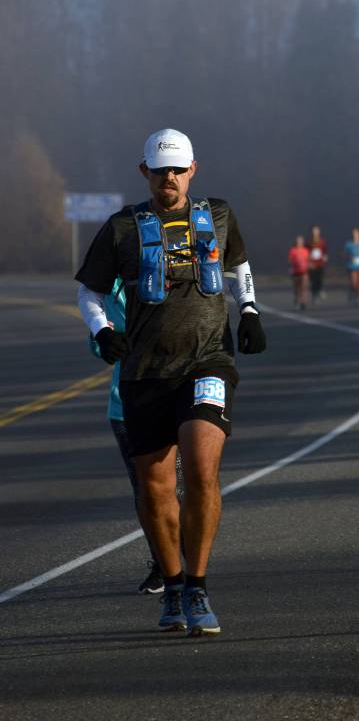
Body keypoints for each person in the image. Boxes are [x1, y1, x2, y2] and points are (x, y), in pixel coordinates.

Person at [76, 128, 267, 636]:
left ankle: (200, 584)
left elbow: (240, 264)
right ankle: (176, 585)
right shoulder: (121, 228)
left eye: (179, 169)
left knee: (202, 463)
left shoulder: (218, 215)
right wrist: (104, 330)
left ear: (193, 169)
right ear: (145, 172)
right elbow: (90, 294)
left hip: (208, 361)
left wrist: (248, 310)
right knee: (157, 487)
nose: (170, 178)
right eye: (161, 170)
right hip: (143, 372)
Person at [85, 277, 184, 595]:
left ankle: (187, 570)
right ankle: (163, 565)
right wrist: (103, 337)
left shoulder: (171, 269)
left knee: (175, 489)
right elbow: (100, 348)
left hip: (173, 395)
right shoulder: (107, 284)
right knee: (146, 492)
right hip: (125, 405)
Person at [306, 225, 328, 302]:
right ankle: (314, 294)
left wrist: (325, 257)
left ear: (319, 232)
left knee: (320, 278)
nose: (315, 232)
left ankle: (320, 291)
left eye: (316, 231)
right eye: (314, 231)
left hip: (320, 263)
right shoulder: (309, 242)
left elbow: (325, 251)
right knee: (313, 280)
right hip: (312, 264)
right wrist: (308, 262)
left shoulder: (322, 242)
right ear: (312, 232)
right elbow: (306, 252)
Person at [288, 235, 310, 310]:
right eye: (298, 241)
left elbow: (308, 260)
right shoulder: (293, 251)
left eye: (301, 241)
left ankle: (303, 302)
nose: (299, 242)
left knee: (304, 287)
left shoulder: (305, 250)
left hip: (304, 271)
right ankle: (297, 299)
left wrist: (308, 265)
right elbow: (290, 260)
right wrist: (295, 263)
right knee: (297, 288)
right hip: (296, 271)